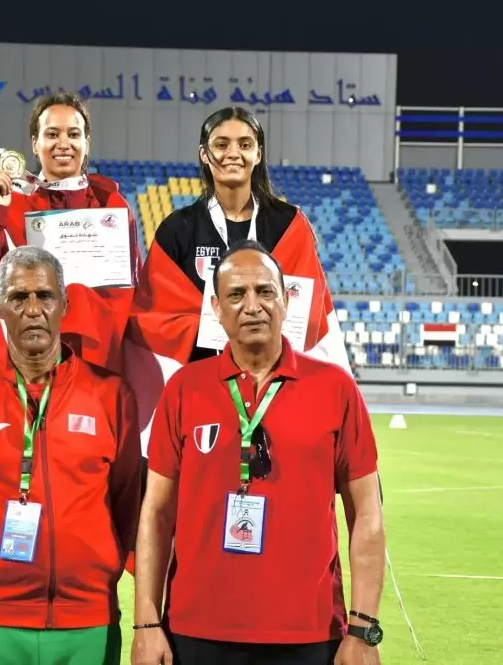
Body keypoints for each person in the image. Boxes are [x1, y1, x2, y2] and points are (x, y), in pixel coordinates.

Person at [131, 241, 385, 665]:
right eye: (236, 295)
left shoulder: (335, 388)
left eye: (265, 292)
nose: (253, 306)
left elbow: (368, 514)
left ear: (286, 301)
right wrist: (146, 623)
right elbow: (156, 513)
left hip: (309, 633)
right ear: (215, 307)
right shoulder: (184, 389)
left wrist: (362, 629)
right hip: (196, 632)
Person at [0, 246, 142, 665]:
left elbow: (126, 503)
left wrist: (93, 568)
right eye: (18, 297)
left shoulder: (111, 395)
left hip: (86, 622)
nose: (33, 309)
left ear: (64, 304)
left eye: (45, 296)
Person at [123, 106, 350, 460]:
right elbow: (153, 320)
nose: (233, 154)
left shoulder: (289, 225)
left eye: (245, 144)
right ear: (204, 153)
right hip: (202, 395)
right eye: (222, 144)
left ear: (258, 153)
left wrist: (222, 320)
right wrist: (225, 324)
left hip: (276, 393)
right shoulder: (177, 230)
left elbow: (306, 315)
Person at [0, 92, 143, 374]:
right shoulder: (15, 206)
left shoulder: (111, 205)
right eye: (52, 134)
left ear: (87, 143)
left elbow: (131, 288)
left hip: (101, 357)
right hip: (36, 358)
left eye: (74, 134)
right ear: (35, 144)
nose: (64, 144)